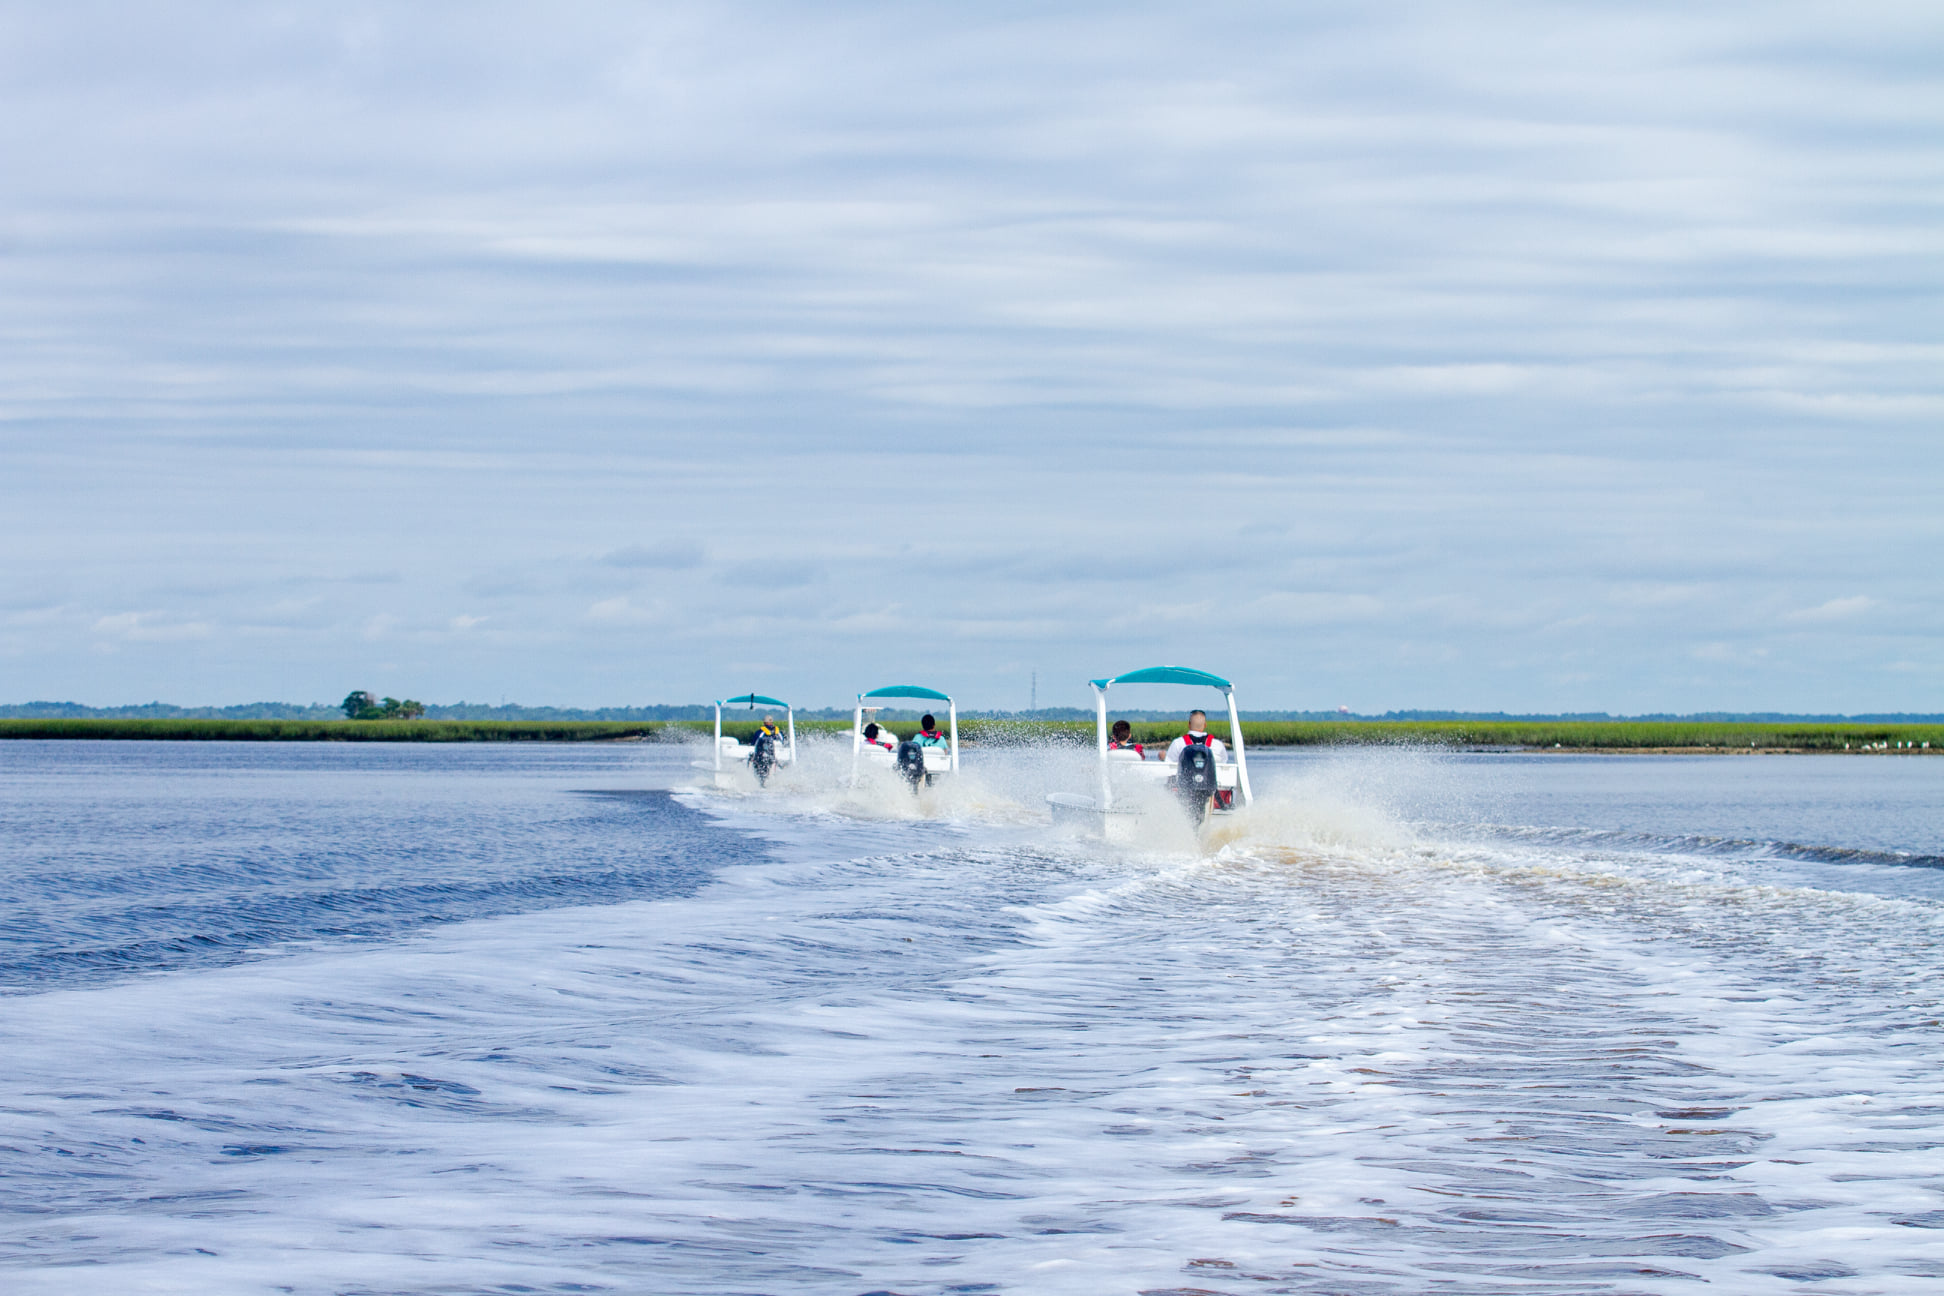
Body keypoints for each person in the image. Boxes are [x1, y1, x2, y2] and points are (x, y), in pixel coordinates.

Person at [1166, 710, 1232, 810]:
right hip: (1214, 800)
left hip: (1184, 797)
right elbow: (1224, 764)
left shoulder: (1178, 744)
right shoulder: (1217, 745)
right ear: (1205, 725)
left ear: (1189, 724)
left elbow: (1168, 768)